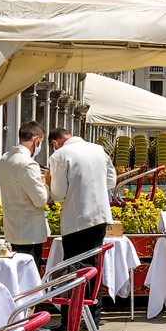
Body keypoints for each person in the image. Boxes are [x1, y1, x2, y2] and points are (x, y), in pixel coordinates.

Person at [47, 127, 113, 311]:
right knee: (94, 267)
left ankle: (71, 318)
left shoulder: (60, 155)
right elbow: (111, 181)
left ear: (55, 143)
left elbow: (58, 194)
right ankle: (94, 315)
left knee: (74, 269)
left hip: (76, 220)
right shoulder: (98, 149)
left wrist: (48, 181)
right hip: (99, 217)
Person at [0, 120, 50, 258]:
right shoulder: (27, 164)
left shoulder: (5, 158)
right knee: (30, 277)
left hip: (13, 230)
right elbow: (40, 200)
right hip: (30, 234)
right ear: (36, 140)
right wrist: (46, 182)